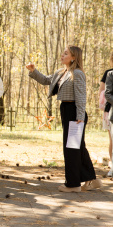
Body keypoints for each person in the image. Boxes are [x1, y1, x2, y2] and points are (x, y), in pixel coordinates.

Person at [27, 46, 101, 192]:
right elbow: (46, 80)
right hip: (66, 110)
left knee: (71, 148)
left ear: (73, 57)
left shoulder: (77, 73)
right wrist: (33, 70)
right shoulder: (61, 72)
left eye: (66, 53)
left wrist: (80, 116)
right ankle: (91, 179)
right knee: (78, 146)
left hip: (74, 112)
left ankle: (73, 184)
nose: (62, 55)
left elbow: (81, 96)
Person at [99, 51, 113, 177]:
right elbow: (103, 93)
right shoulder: (109, 73)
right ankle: (112, 165)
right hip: (110, 110)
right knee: (112, 139)